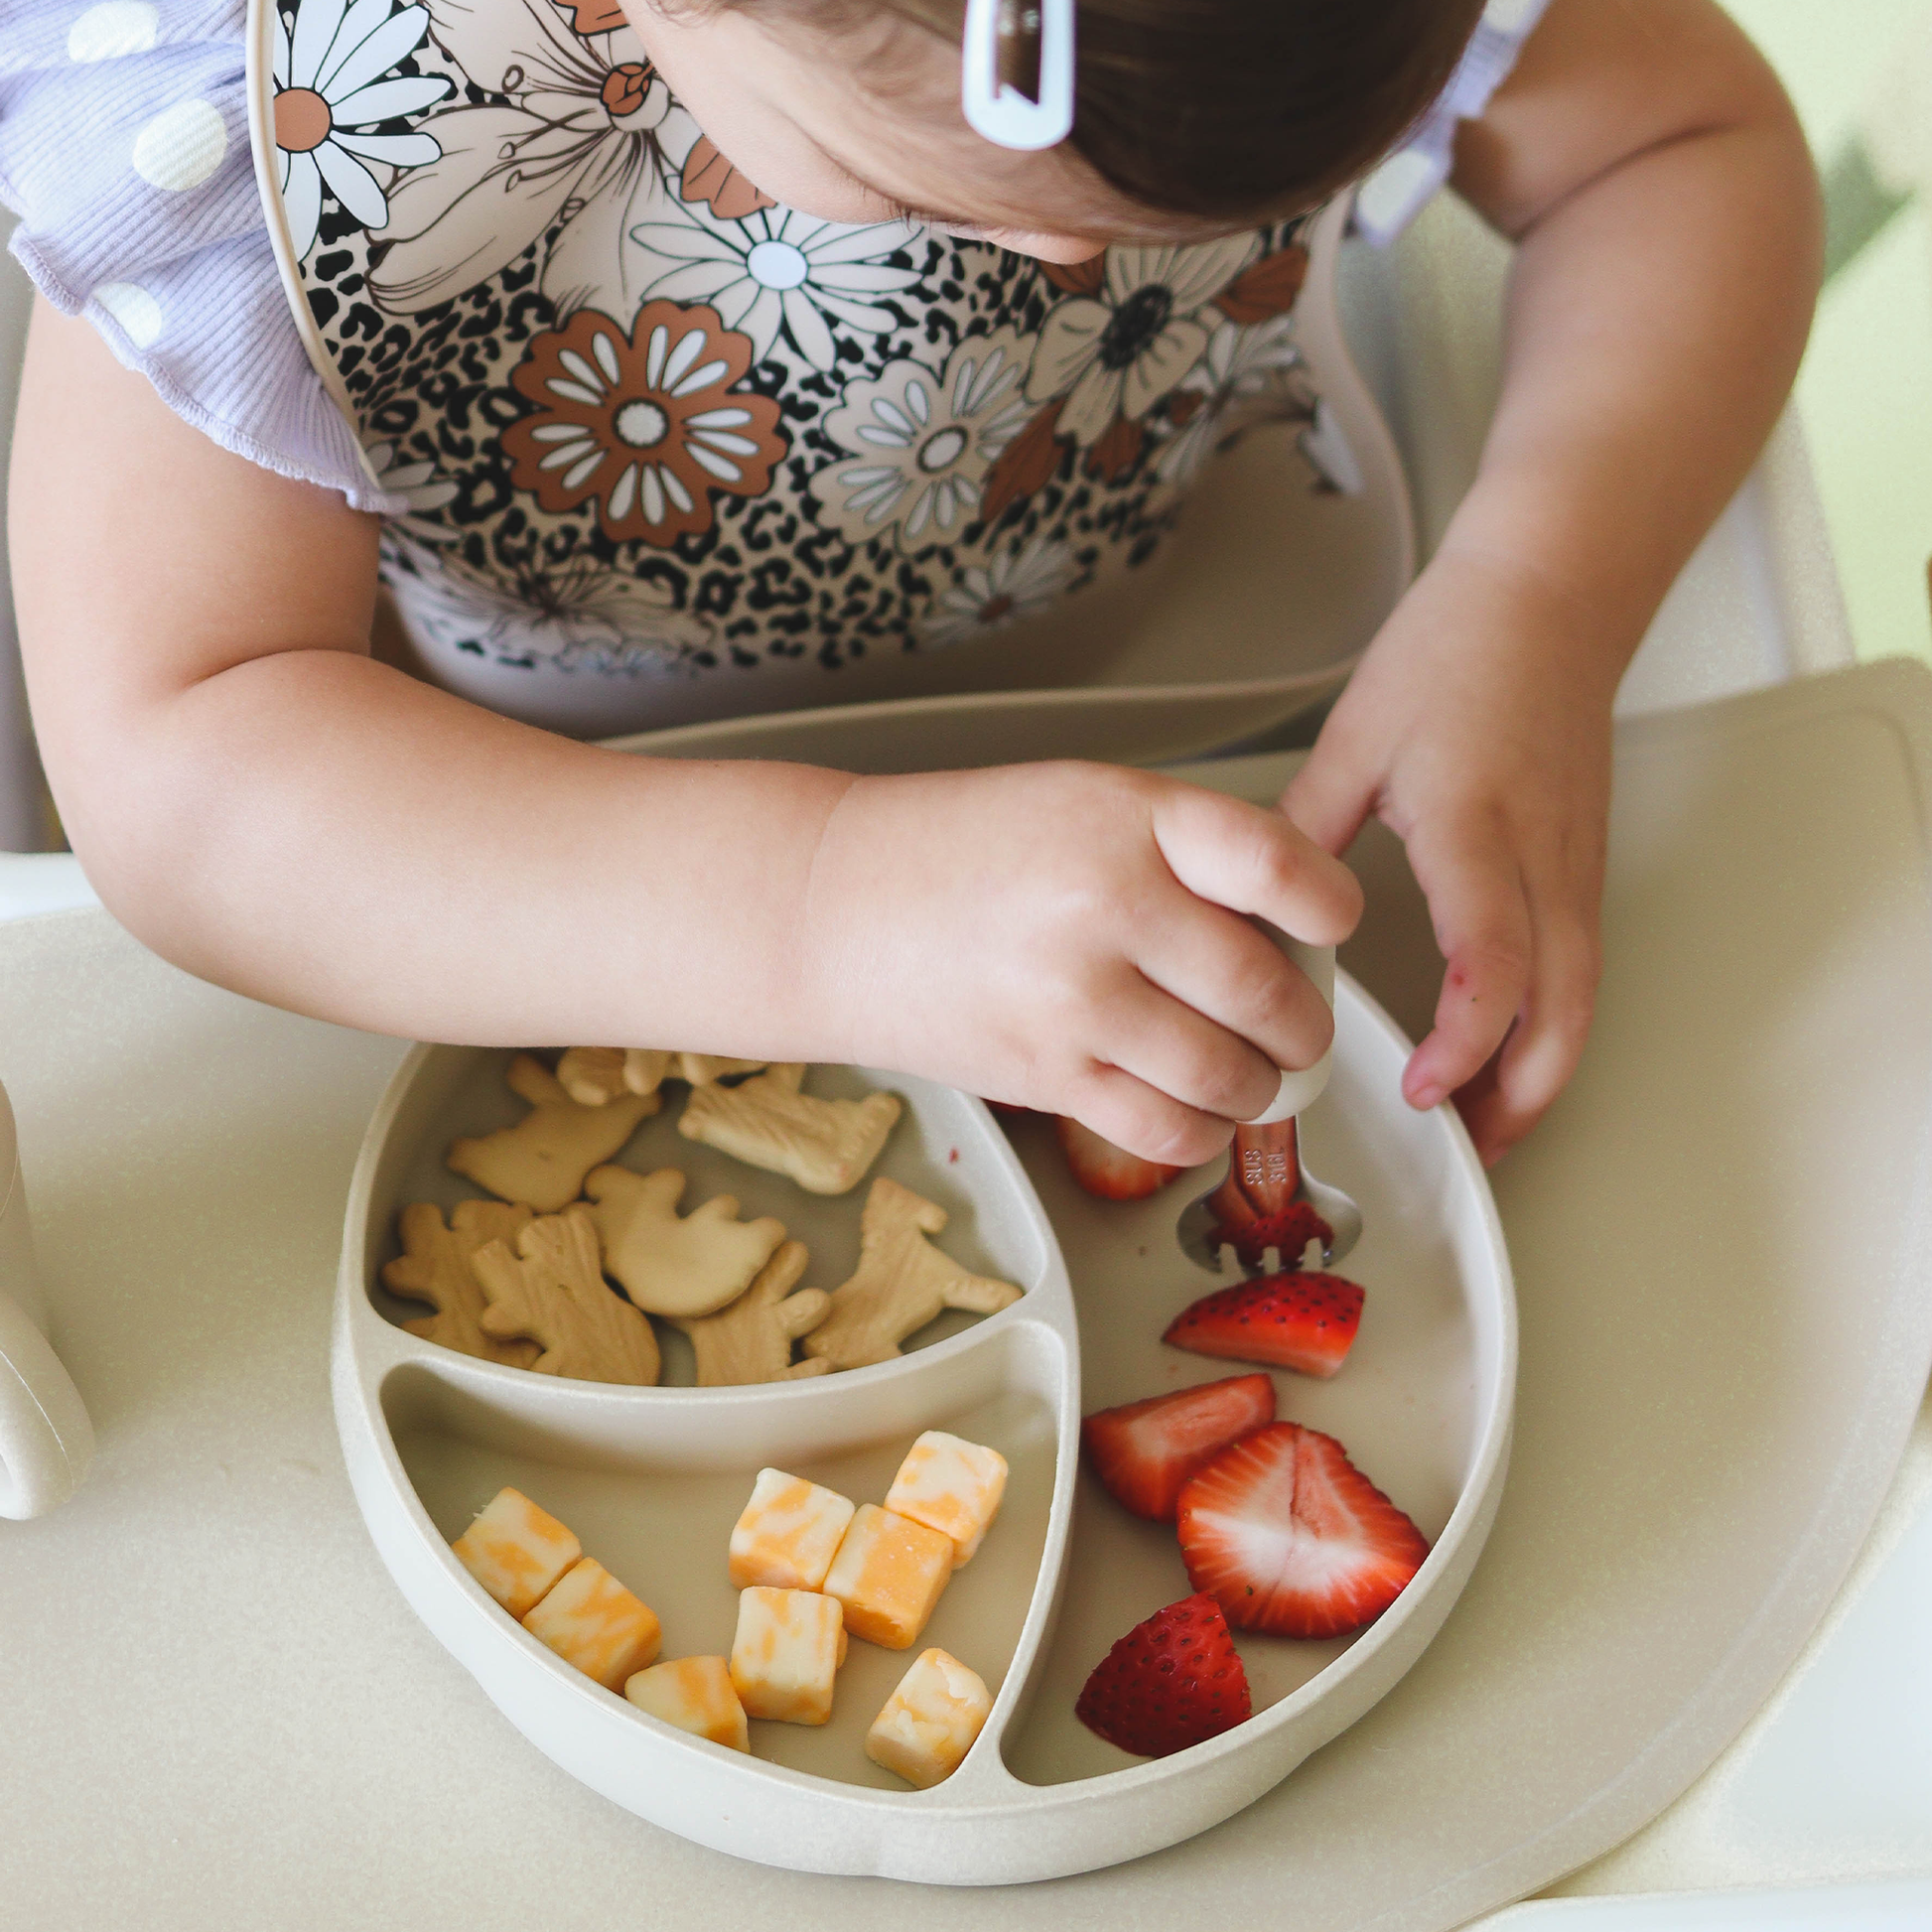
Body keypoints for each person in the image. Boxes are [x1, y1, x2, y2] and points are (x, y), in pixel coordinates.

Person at [1, 0, 1818, 1167]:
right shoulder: (259, 114)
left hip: (1193, 630)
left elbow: (1680, 148)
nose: (1062, 265)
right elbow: (183, 767)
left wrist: (1536, 599)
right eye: (939, 202)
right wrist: (822, 907)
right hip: (552, 804)